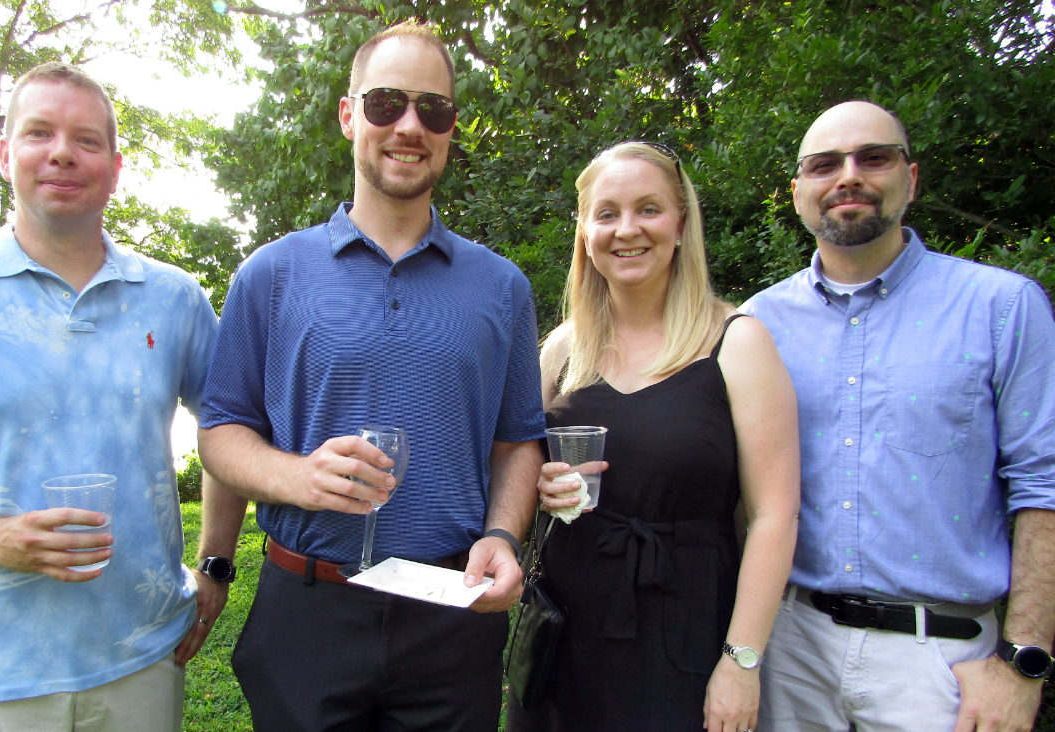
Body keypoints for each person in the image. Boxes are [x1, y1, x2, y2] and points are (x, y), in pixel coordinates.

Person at [194, 21, 547, 732]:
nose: (410, 126)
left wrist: (504, 538)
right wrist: (298, 478)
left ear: (450, 129)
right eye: (387, 103)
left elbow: (518, 442)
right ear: (350, 114)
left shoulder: (501, 287)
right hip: (308, 611)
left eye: (433, 109)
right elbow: (220, 433)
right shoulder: (270, 275)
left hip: (453, 613)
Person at [0, 62, 222, 731]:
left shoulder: (174, 300)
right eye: (39, 133)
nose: (61, 152)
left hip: (141, 660)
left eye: (86, 140)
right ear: (5, 154)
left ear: (115, 166)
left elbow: (228, 435)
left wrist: (216, 564)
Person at [741, 101, 1055, 731]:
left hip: (942, 662)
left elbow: (1043, 489)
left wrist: (1022, 664)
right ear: (798, 192)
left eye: (873, 158)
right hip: (790, 649)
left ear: (910, 179)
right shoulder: (758, 323)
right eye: (825, 164)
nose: (848, 176)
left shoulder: (1001, 306)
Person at [507, 141, 800, 732]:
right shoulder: (564, 349)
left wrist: (741, 661)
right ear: (586, 232)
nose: (627, 229)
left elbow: (776, 515)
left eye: (649, 208)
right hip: (565, 628)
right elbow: (518, 469)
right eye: (607, 213)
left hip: (685, 633)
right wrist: (541, 490)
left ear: (681, 222)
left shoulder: (737, 343)